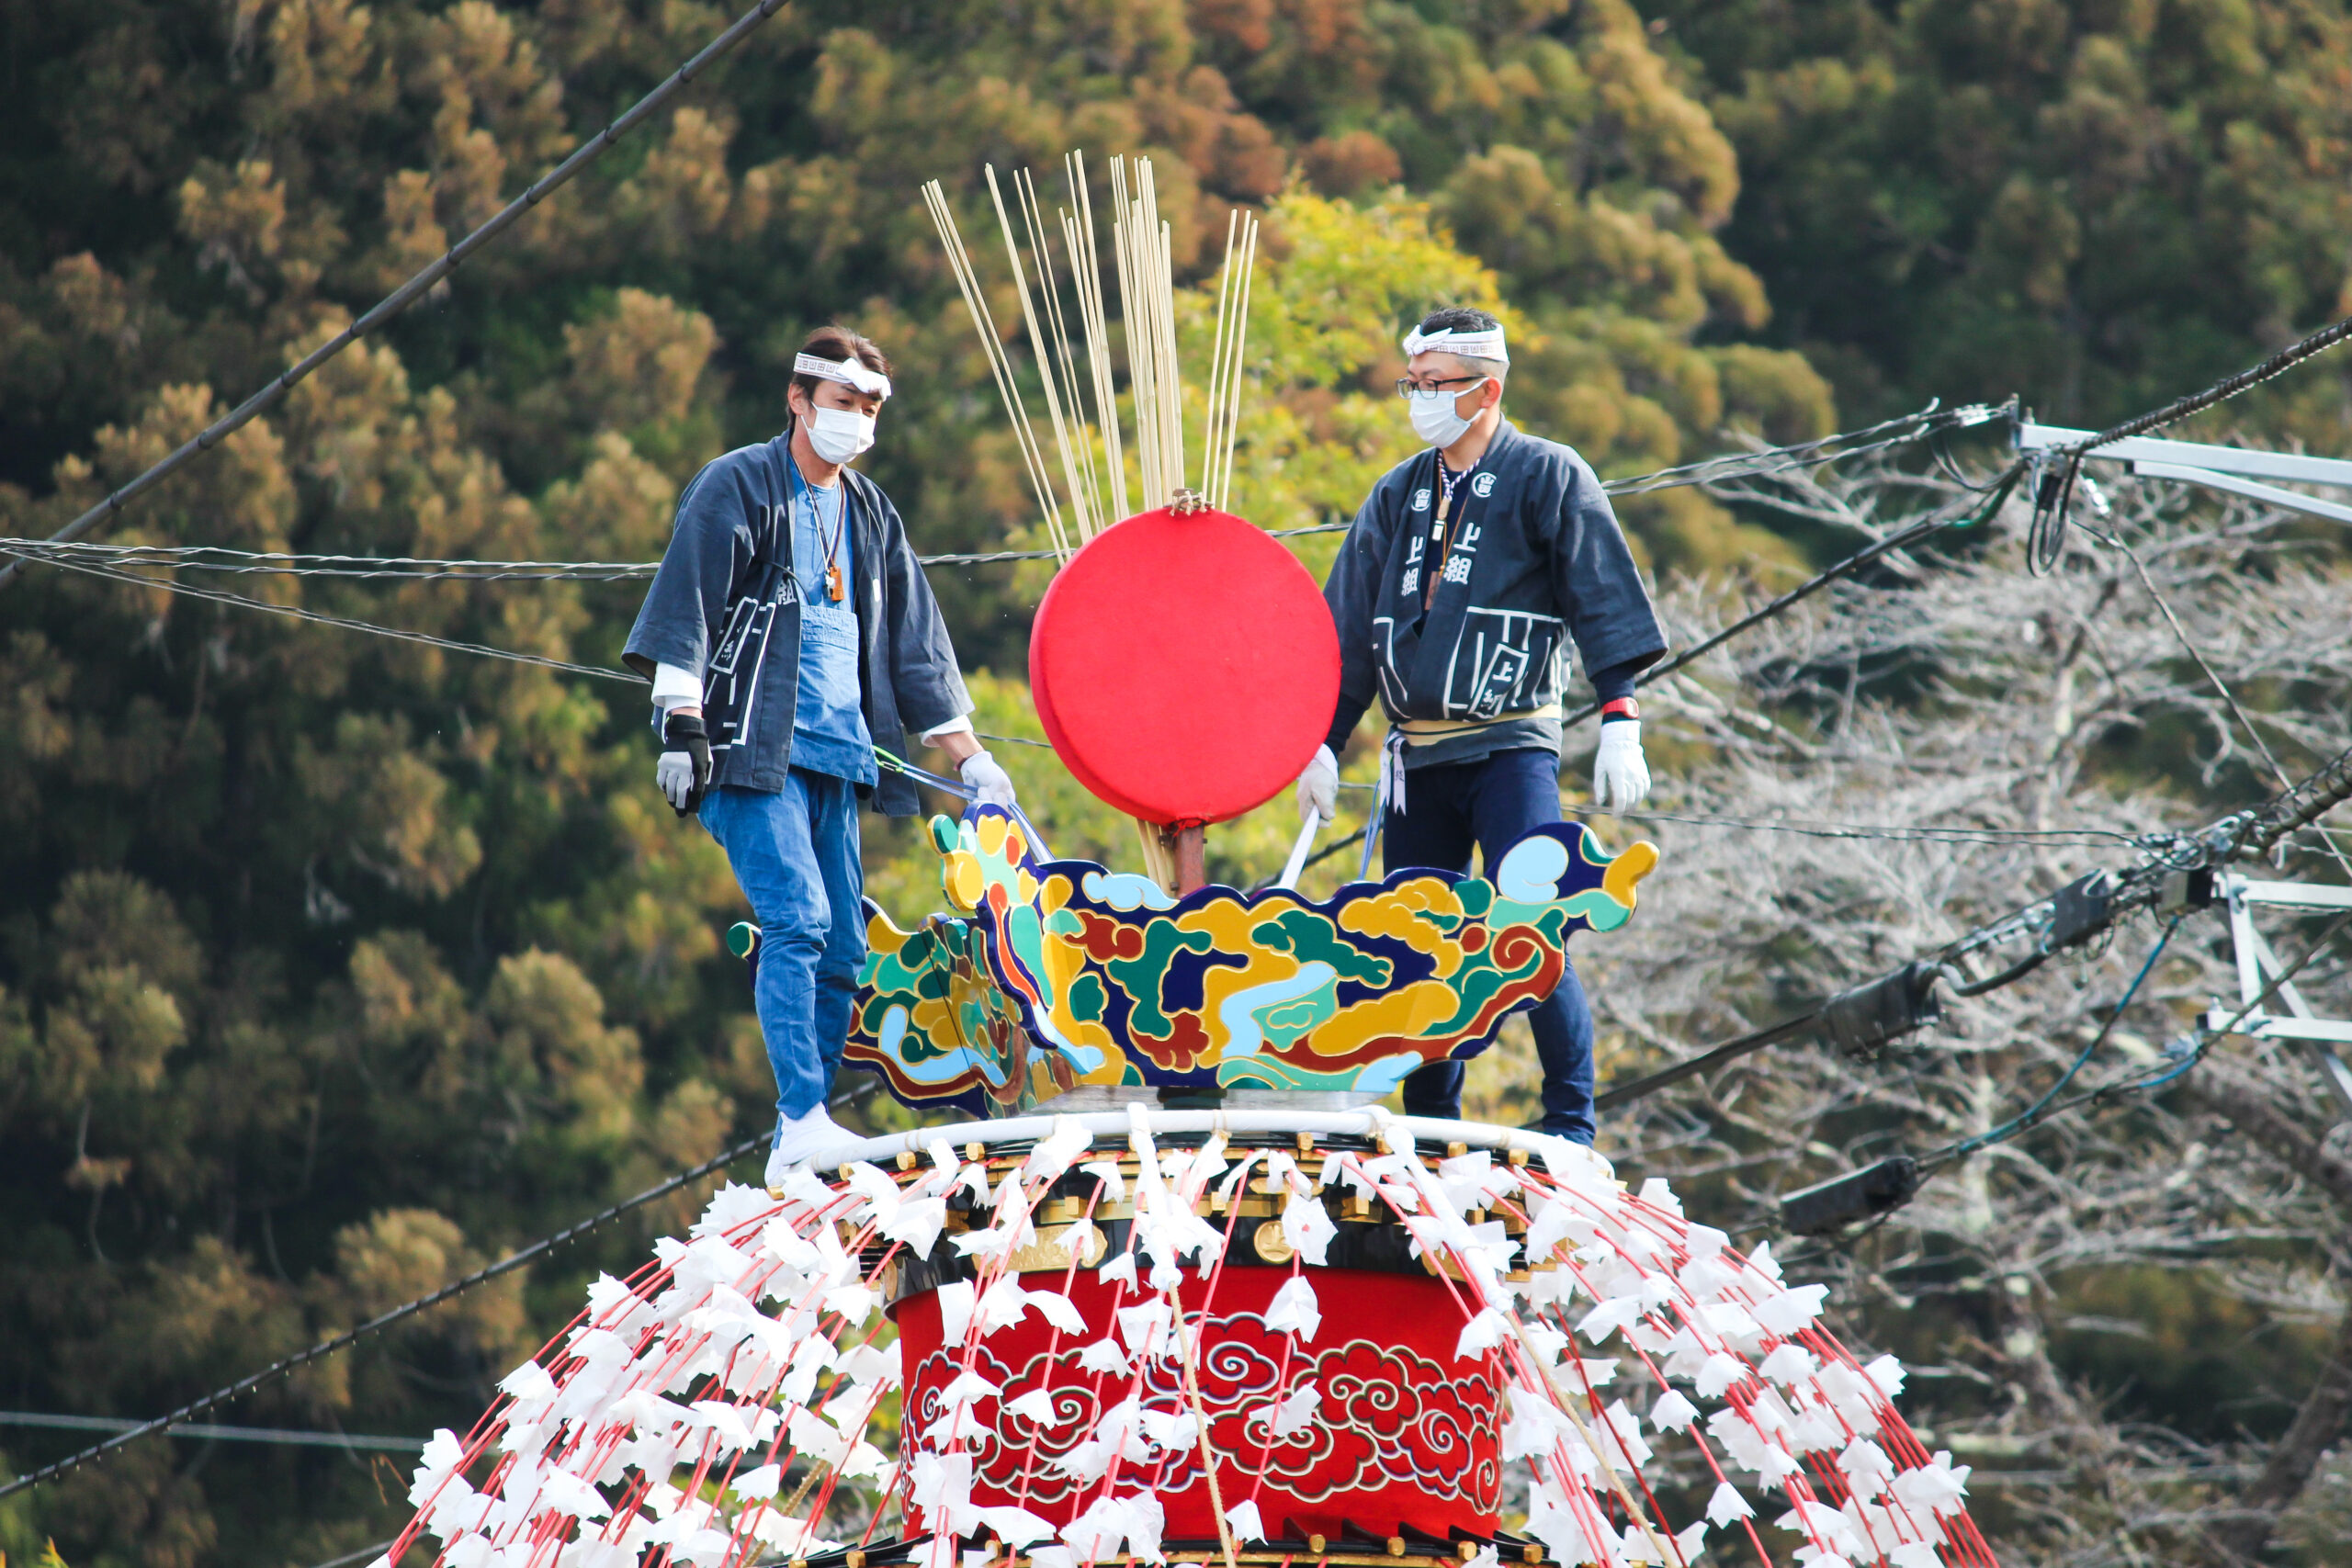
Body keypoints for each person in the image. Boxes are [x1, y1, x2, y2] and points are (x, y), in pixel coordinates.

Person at [624, 326, 1018, 1180]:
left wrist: (969, 758)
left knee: (843, 948)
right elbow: (688, 600)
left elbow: (915, 643)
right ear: (799, 399)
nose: (858, 420)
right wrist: (680, 719)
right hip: (747, 750)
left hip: (839, 756)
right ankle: (801, 1114)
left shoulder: (871, 512)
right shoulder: (738, 484)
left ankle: (803, 1131)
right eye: (844, 402)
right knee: (796, 918)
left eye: (871, 407)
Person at [1296, 307, 1665, 1144]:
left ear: (1487, 391)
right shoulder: (1397, 493)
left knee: (1532, 917)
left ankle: (1571, 1120)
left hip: (1511, 743)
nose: (1419, 399)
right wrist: (1322, 739)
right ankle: (1433, 1129)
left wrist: (1621, 716)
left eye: (1435, 385)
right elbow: (1345, 630)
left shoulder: (1548, 474)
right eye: (1413, 385)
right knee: (1415, 943)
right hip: (1416, 758)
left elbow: (1600, 594)